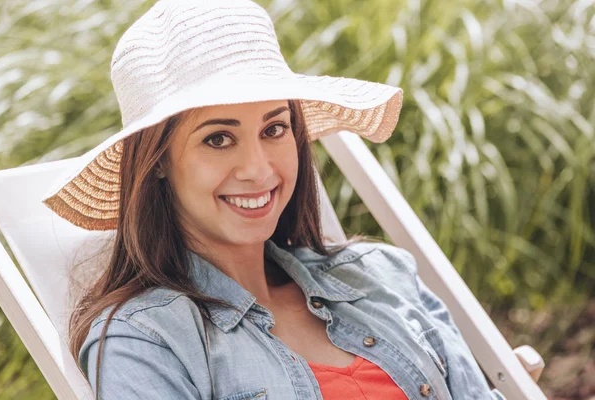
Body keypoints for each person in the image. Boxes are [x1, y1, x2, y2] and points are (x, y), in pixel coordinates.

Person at [41, 0, 506, 399]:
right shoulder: (147, 340)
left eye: (274, 129)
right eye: (219, 139)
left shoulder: (380, 273)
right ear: (158, 160)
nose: (260, 169)